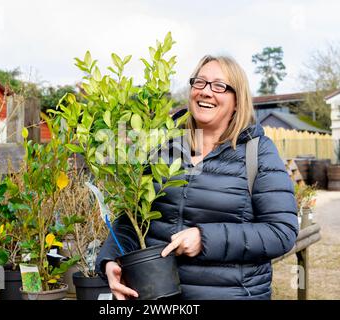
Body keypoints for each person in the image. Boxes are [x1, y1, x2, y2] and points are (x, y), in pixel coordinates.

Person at [95, 55, 299, 300]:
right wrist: (110, 259)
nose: (206, 92)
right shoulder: (163, 147)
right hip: (160, 297)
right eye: (199, 83)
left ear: (237, 101)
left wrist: (205, 238)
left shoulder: (258, 152)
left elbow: (281, 232)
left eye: (219, 86)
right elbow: (133, 218)